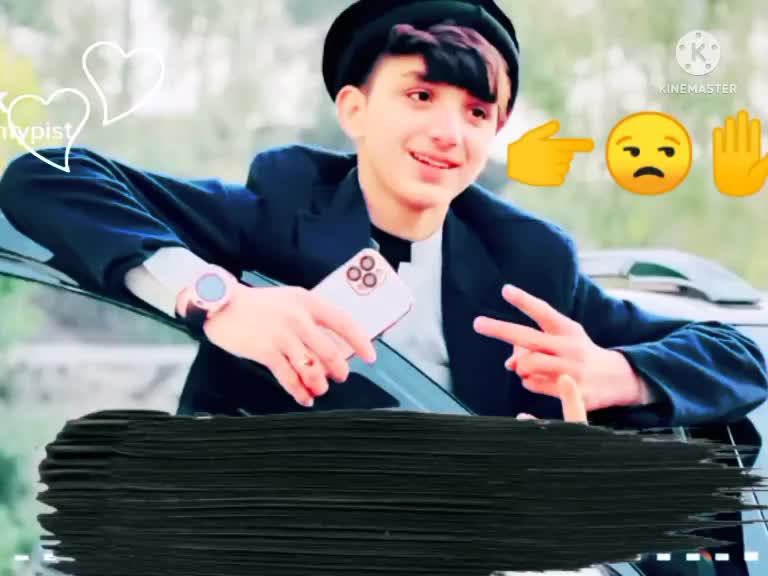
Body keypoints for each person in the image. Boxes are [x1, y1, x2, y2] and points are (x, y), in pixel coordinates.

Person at [0, 0, 765, 428]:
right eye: (420, 95)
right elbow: (45, 177)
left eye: (476, 111)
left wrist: (618, 373)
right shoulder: (279, 207)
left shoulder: (526, 260)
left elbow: (741, 355)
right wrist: (219, 300)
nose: (448, 131)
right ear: (355, 109)